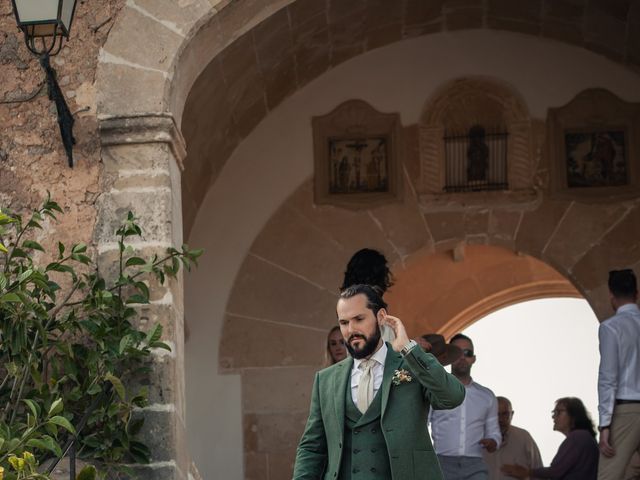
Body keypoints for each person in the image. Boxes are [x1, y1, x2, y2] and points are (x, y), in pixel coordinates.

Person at [293, 284, 465, 479]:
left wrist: (408, 349)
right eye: (343, 322)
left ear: (380, 317)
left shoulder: (411, 364)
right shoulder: (326, 380)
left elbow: (453, 397)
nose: (351, 330)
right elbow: (312, 448)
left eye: (359, 319)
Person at [429, 333, 501, 480]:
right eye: (458, 352)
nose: (462, 357)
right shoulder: (435, 391)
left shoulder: (487, 396)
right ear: (449, 356)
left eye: (467, 353)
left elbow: (494, 432)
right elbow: (420, 425)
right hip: (441, 463)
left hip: (475, 464)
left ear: (473, 358)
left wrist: (492, 442)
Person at [597, 268, 640, 480]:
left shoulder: (611, 327)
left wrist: (605, 424)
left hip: (627, 409)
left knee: (609, 477)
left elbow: (608, 378)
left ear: (611, 296)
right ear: (637, 293)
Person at [502, 397, 599, 480]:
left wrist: (527, 472)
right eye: (554, 412)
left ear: (573, 415)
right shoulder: (585, 437)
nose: (553, 416)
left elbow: (556, 471)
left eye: (558, 412)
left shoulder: (578, 437)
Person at [483, 396, 542, 480]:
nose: (500, 419)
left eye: (505, 414)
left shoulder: (524, 437)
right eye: (496, 414)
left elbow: (538, 472)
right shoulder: (476, 438)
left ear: (512, 414)